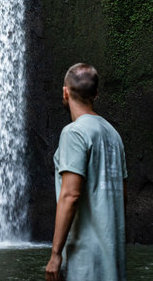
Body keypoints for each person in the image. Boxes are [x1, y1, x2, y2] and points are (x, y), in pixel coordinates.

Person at [45, 63, 128, 281]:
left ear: (65, 91)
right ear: (96, 94)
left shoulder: (74, 133)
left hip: (85, 261)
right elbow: (123, 196)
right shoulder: (114, 135)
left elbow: (70, 195)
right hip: (112, 260)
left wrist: (55, 255)